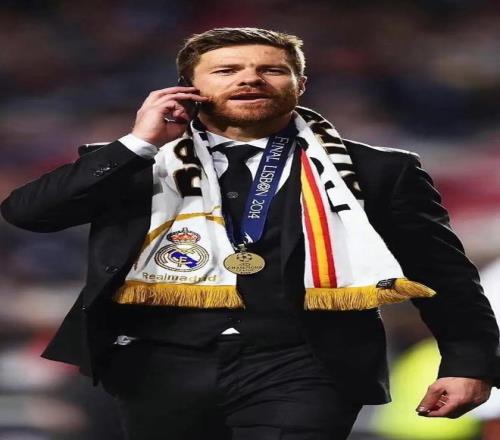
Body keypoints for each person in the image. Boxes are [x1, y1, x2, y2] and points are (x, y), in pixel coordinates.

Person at [1, 27, 499, 440]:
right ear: (187, 87)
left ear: (300, 84)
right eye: (227, 70)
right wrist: (136, 143)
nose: (250, 79)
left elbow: (442, 272)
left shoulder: (377, 170)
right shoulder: (134, 162)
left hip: (307, 365)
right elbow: (29, 213)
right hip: (157, 366)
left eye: (271, 70)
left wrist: (468, 363)